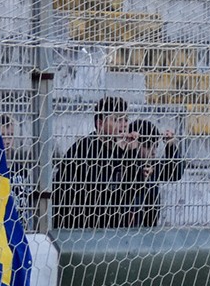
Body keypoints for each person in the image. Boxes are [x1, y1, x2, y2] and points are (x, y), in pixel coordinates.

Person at [54, 96, 136, 229]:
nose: (124, 124)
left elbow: (134, 189)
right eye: (117, 120)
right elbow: (100, 194)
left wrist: (131, 153)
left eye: (126, 119)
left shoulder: (122, 150)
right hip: (81, 230)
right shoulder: (84, 150)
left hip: (114, 233)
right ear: (100, 123)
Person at [122, 119, 186, 228]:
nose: (153, 151)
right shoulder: (123, 163)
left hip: (149, 229)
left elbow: (175, 173)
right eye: (147, 146)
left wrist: (170, 147)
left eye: (155, 145)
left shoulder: (153, 166)